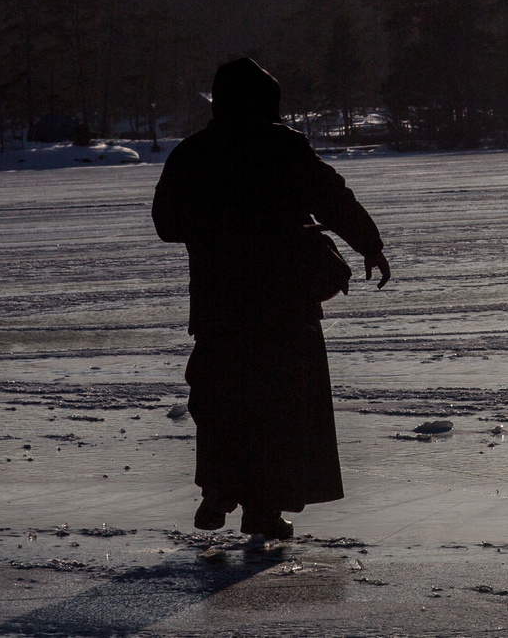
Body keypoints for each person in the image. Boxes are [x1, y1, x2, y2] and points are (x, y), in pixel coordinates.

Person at [152, 57, 390, 545]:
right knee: (280, 410)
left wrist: (215, 227)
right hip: (284, 305)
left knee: (221, 401)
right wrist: (369, 244)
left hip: (220, 306)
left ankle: (220, 487)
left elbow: (165, 223)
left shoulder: (193, 153)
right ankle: (262, 510)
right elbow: (333, 198)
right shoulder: (284, 147)